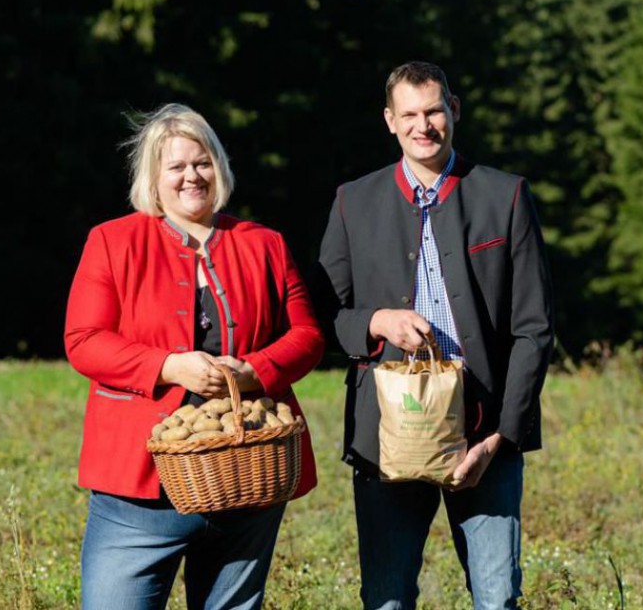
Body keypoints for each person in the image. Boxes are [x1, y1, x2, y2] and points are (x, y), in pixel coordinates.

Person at [314, 61, 555, 609]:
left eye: (434, 111)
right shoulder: (354, 202)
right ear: (389, 121)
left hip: (484, 431)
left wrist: (500, 439)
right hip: (386, 437)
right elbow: (324, 314)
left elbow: (534, 329)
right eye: (410, 115)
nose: (423, 125)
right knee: (387, 598)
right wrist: (375, 322)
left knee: (497, 600)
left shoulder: (506, 196)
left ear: (454, 111)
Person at [65, 103, 324, 610]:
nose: (191, 176)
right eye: (176, 166)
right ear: (153, 177)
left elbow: (308, 335)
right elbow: (84, 339)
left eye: (202, 162)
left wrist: (255, 372)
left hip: (244, 477)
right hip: (136, 489)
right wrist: (167, 366)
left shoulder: (264, 244)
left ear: (219, 167)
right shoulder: (112, 241)